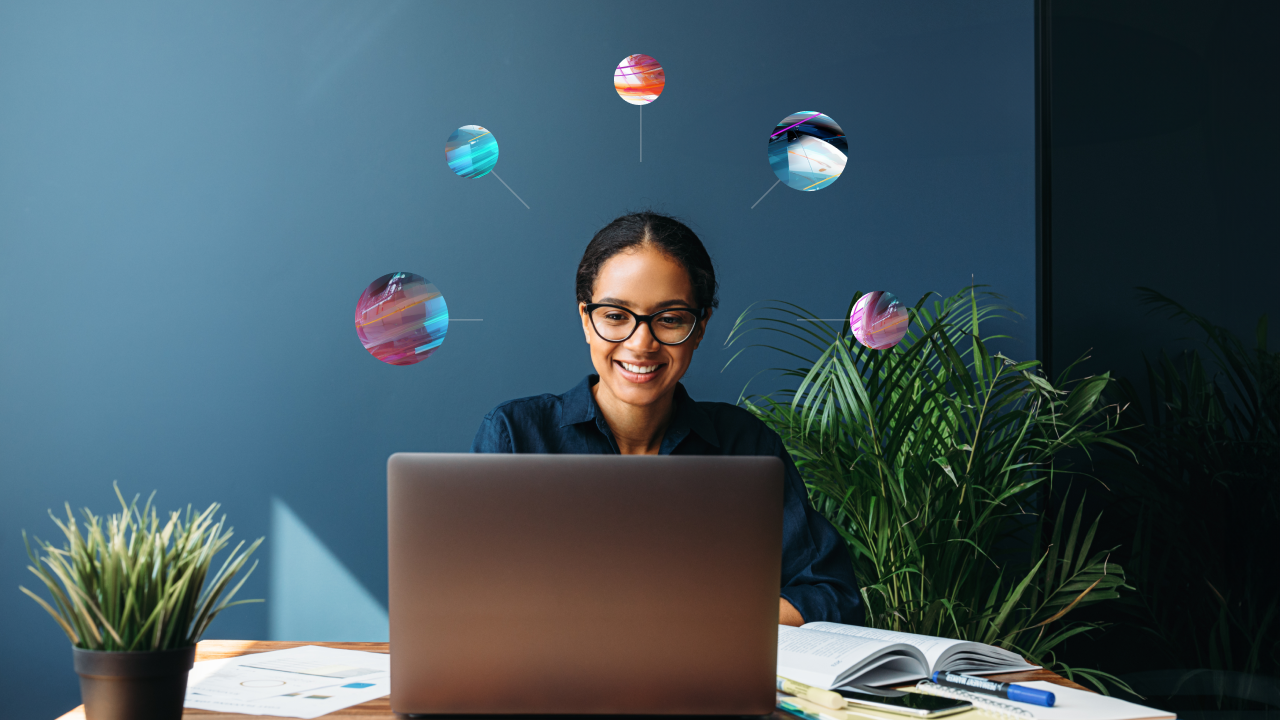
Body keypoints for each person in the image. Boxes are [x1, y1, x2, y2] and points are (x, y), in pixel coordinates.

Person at [472, 211, 864, 627]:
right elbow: (469, 600)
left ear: (700, 327)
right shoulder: (516, 436)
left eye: (671, 319)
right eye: (615, 316)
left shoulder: (746, 446)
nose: (641, 343)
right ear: (587, 319)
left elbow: (831, 595)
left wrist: (694, 620)